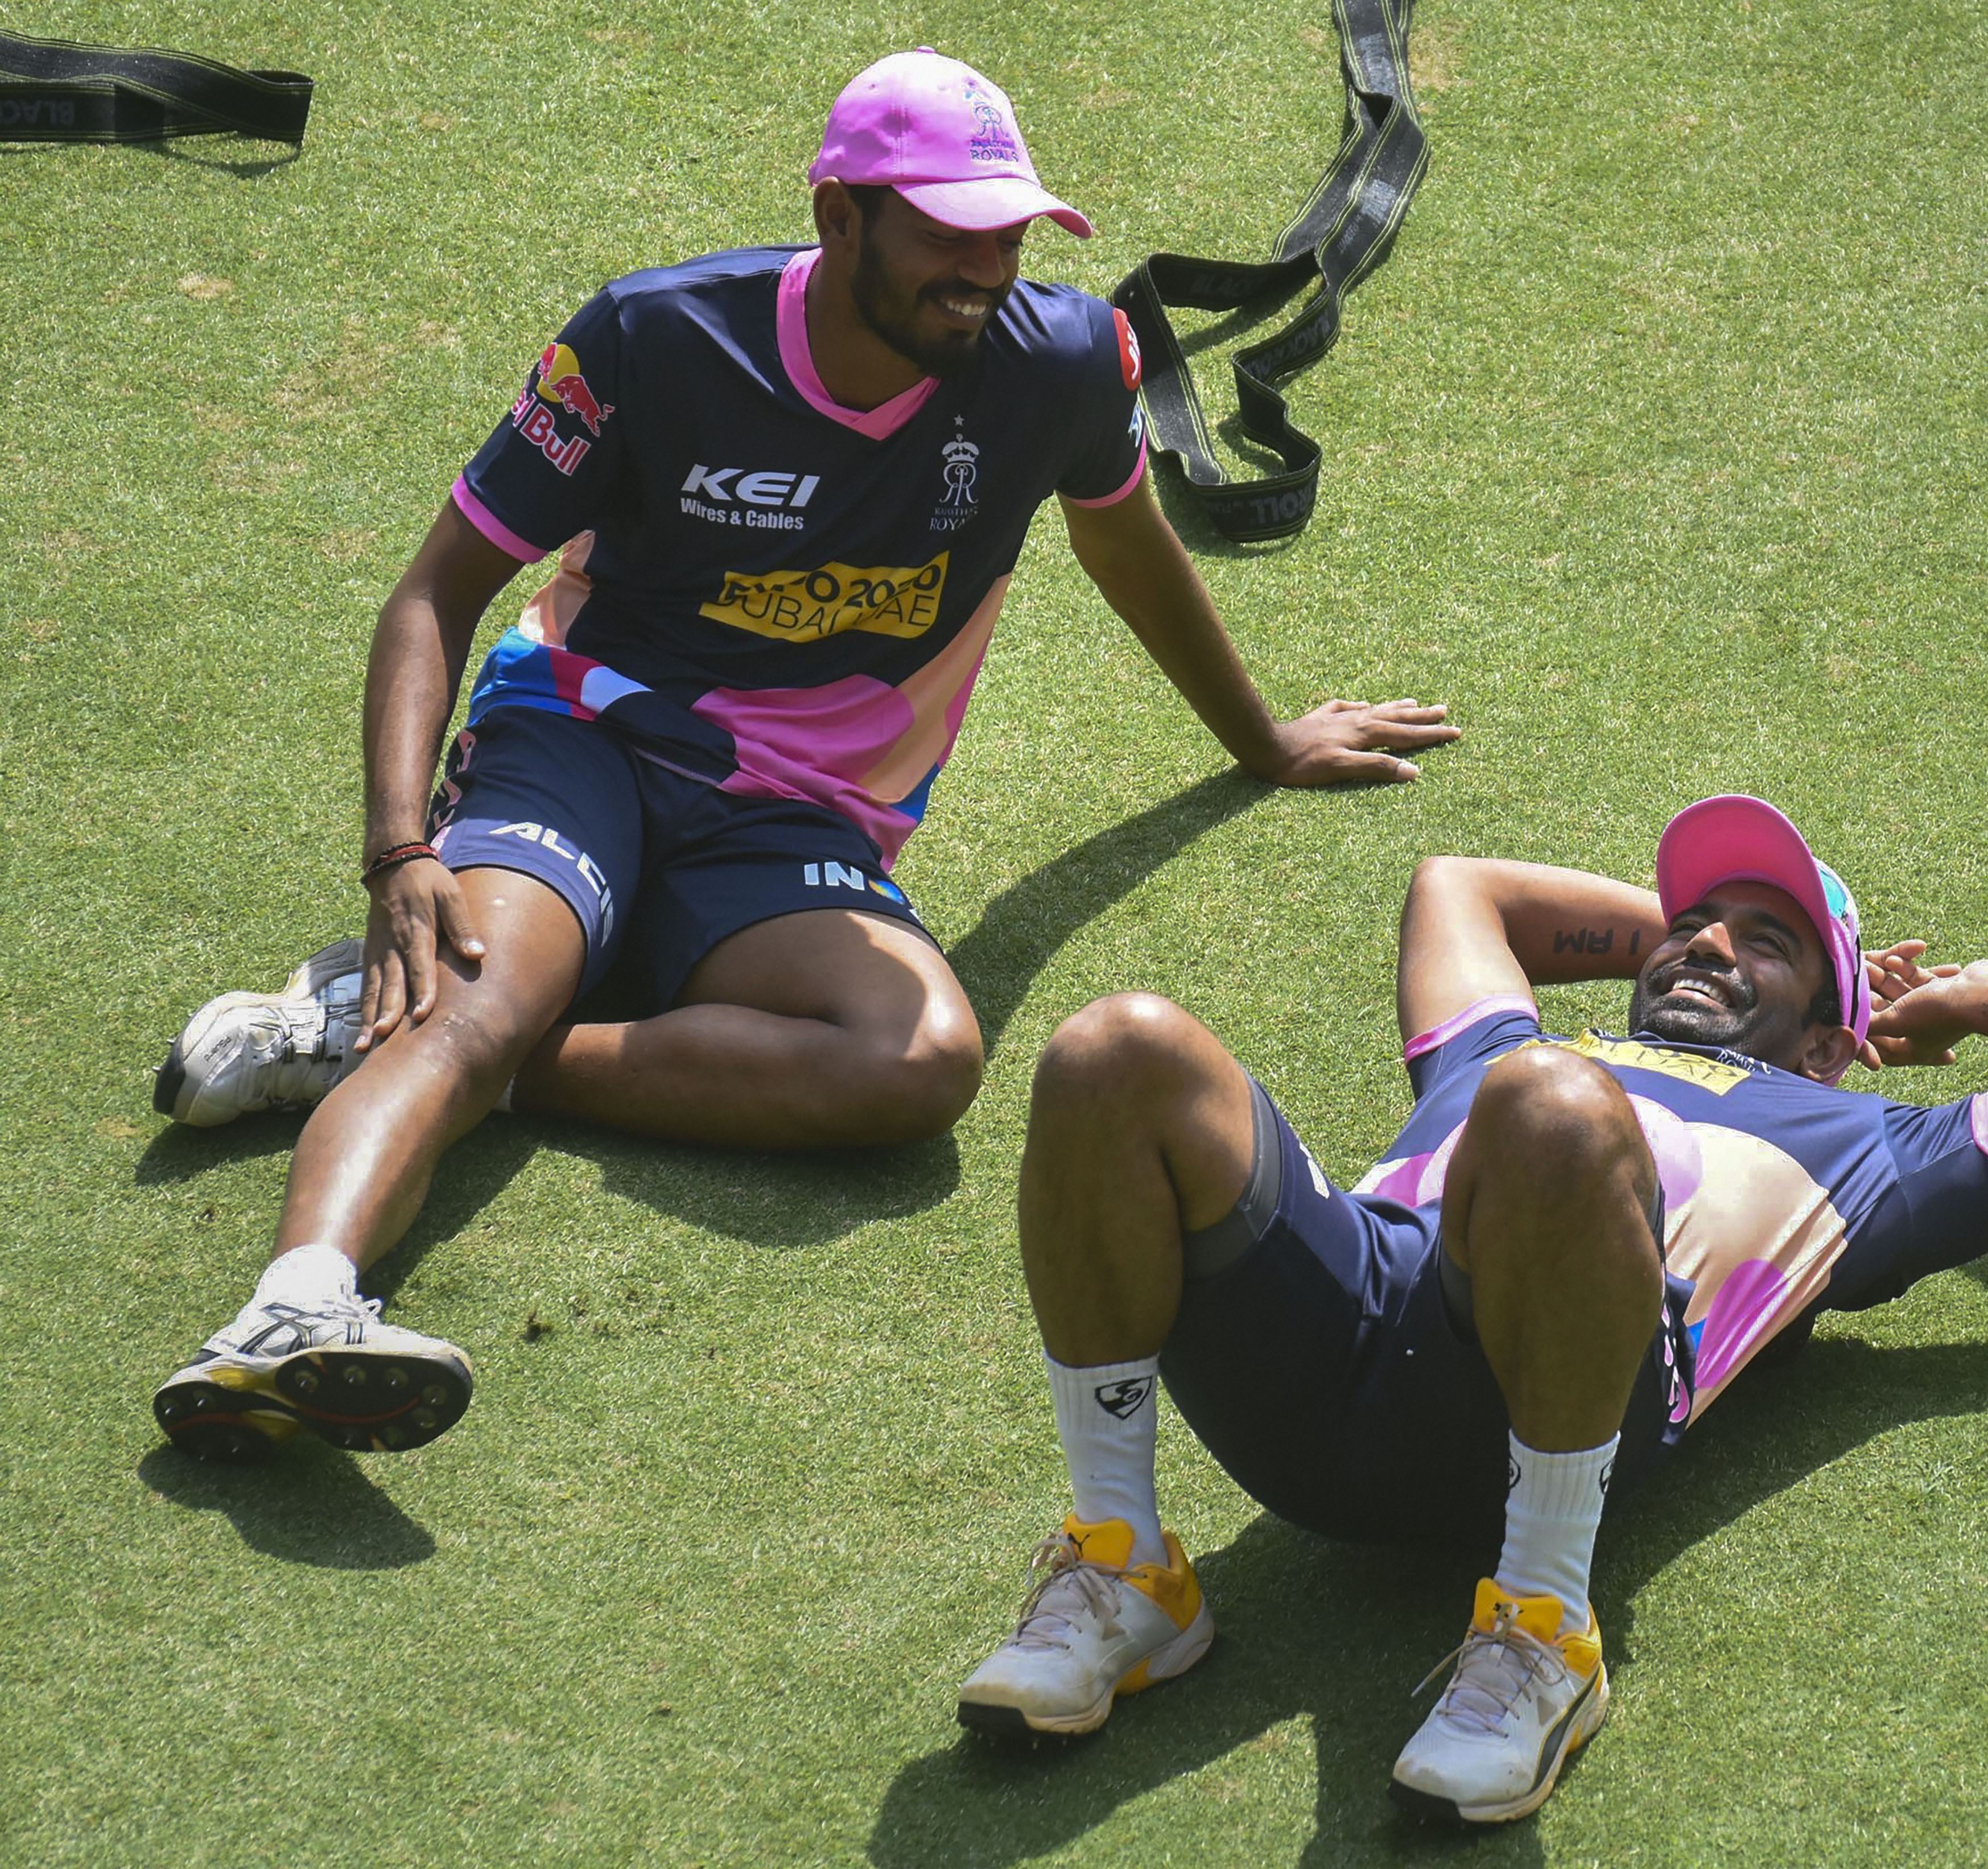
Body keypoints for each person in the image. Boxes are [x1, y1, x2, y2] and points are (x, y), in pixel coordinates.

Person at [147, 49, 1456, 1466]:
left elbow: (1123, 538)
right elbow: (436, 592)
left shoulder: (1063, 363)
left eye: (1009, 227)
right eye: (950, 229)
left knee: (919, 1062)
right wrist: (402, 851)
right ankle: (288, 1315)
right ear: (840, 218)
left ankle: (419, 1035)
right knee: (472, 1004)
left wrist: (1262, 739)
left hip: (796, 817)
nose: (988, 263)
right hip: (583, 733)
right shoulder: (654, 339)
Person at [952, 794, 1988, 1825]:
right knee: (1114, 1046)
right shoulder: (1494, 1054)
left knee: (1554, 1102)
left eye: (1767, 940)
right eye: (1699, 921)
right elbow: (1463, 884)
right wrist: (1699, 936)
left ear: (1825, 1038)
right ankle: (1124, 1564)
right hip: (1332, 1325)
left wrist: (1968, 997)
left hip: (1526, 1417)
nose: (1708, 942)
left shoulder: (1872, 1148)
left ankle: (1541, 1633)